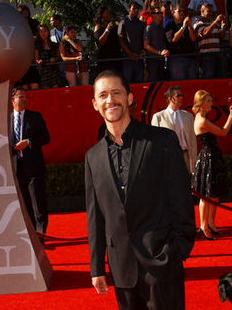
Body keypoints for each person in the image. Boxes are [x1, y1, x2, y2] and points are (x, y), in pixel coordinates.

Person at [85, 70, 196, 310]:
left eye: (116, 93)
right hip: (121, 268)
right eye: (102, 95)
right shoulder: (92, 157)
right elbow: (95, 217)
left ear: (130, 98)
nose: (110, 100)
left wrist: (177, 250)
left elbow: (181, 199)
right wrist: (97, 268)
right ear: (95, 104)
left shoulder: (161, 141)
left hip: (162, 262)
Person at [191, 90, 232, 240]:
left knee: (214, 193)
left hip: (212, 157)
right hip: (208, 158)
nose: (211, 103)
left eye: (211, 100)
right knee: (206, 195)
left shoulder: (202, 118)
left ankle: (211, 223)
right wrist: (231, 115)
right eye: (208, 101)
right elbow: (223, 132)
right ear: (201, 103)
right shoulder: (202, 120)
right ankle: (203, 226)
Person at [11, 87, 50, 237]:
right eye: (21, 97)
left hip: (33, 166)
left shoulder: (35, 117)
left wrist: (29, 142)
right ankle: (30, 234)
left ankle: (41, 235)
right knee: (25, 203)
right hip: (17, 168)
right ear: (13, 100)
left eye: (25, 97)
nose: (24, 99)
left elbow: (46, 137)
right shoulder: (7, 119)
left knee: (37, 202)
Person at [151, 86, 197, 174]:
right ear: (171, 99)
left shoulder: (188, 116)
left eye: (182, 95)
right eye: (178, 95)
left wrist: (194, 160)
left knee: (186, 184)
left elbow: (192, 139)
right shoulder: (158, 117)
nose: (181, 97)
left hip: (185, 156)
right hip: (168, 158)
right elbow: (155, 143)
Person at [194, 3, 226, 79]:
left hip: (217, 53)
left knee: (219, 77)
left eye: (212, 11)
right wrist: (215, 21)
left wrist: (222, 27)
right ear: (202, 11)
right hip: (206, 55)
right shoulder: (198, 23)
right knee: (208, 77)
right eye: (209, 11)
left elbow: (221, 37)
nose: (211, 13)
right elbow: (204, 33)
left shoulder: (215, 23)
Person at [165, 4, 197, 80]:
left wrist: (189, 27)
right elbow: (173, 39)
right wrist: (183, 27)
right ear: (173, 13)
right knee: (179, 83)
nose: (182, 13)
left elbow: (193, 39)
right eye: (179, 11)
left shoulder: (187, 25)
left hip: (190, 57)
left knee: (192, 83)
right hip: (177, 59)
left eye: (183, 11)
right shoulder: (170, 25)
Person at [118, 2, 145, 83]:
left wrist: (142, 52)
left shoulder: (141, 24)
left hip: (139, 58)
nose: (136, 11)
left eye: (137, 9)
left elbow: (144, 40)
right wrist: (130, 54)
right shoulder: (123, 22)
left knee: (140, 82)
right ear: (129, 9)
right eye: (134, 9)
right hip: (127, 58)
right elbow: (120, 40)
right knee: (127, 82)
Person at [144, 8, 170, 82]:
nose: (161, 14)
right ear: (153, 15)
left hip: (161, 60)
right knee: (153, 82)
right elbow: (146, 45)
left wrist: (165, 51)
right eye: (158, 13)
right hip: (152, 60)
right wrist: (159, 52)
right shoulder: (149, 28)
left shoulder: (161, 28)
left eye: (161, 13)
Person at [94, 6, 122, 73]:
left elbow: (120, 38)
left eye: (109, 13)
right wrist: (107, 29)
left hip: (116, 57)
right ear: (101, 15)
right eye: (107, 13)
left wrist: (120, 24)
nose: (109, 15)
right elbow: (100, 42)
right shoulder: (98, 26)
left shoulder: (114, 26)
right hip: (105, 59)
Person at [35, 25, 60, 89]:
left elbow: (59, 57)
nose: (43, 33)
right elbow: (36, 59)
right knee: (46, 92)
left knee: (55, 91)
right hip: (43, 72)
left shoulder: (54, 45)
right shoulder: (37, 46)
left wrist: (55, 59)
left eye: (45, 31)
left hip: (54, 71)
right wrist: (38, 61)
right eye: (41, 31)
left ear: (48, 32)